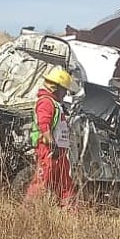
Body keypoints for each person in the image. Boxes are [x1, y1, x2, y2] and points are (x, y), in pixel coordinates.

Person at [25, 65, 77, 208]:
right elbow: (44, 124)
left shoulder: (55, 103)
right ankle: (27, 212)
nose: (65, 93)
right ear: (56, 87)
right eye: (64, 89)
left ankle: (72, 213)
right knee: (42, 181)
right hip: (49, 150)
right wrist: (51, 143)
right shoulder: (46, 102)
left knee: (65, 183)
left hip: (58, 151)